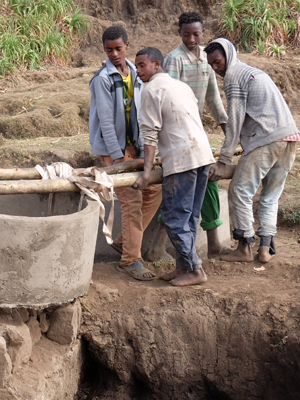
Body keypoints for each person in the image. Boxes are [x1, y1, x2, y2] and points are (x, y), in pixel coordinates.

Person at [204, 38, 300, 263]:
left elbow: (235, 121)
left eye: (217, 62)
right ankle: (265, 249)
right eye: (211, 64)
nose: (215, 68)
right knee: (270, 196)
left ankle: (244, 248)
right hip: (289, 138)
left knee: (239, 190)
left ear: (229, 56)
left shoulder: (234, 76)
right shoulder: (252, 72)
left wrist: (224, 160)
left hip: (267, 139)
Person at [133, 47, 215, 287]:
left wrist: (147, 173)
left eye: (142, 65)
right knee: (190, 216)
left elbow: (149, 134)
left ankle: (196, 269)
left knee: (174, 216)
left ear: (157, 64)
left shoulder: (151, 90)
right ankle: (183, 267)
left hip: (181, 160)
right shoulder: (182, 87)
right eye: (136, 66)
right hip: (202, 155)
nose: (138, 71)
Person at [88, 25, 163, 281]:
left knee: (154, 190)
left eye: (118, 48)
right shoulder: (102, 80)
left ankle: (124, 242)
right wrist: (117, 158)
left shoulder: (136, 73)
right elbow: (106, 122)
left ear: (127, 46)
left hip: (136, 147)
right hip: (114, 151)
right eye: (108, 50)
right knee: (131, 201)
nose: (114, 54)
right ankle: (131, 260)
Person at [162, 11, 230, 259]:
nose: (191, 39)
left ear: (203, 33)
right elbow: (169, 99)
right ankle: (158, 246)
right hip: (179, 135)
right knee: (179, 190)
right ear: (179, 33)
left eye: (196, 34)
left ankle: (213, 243)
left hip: (197, 134)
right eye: (186, 34)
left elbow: (213, 99)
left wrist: (229, 133)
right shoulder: (175, 60)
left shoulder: (206, 59)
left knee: (209, 181)